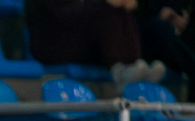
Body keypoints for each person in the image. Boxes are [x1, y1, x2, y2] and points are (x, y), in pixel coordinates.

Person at [26, 0, 167, 85]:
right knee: (106, 7)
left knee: (119, 9)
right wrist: (103, 3)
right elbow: (63, 16)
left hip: (76, 40)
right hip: (53, 44)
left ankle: (132, 65)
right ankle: (120, 70)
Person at [137, 0, 195, 100]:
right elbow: (138, 18)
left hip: (176, 36)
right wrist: (160, 17)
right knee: (162, 29)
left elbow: (186, 18)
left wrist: (183, 21)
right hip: (150, 37)